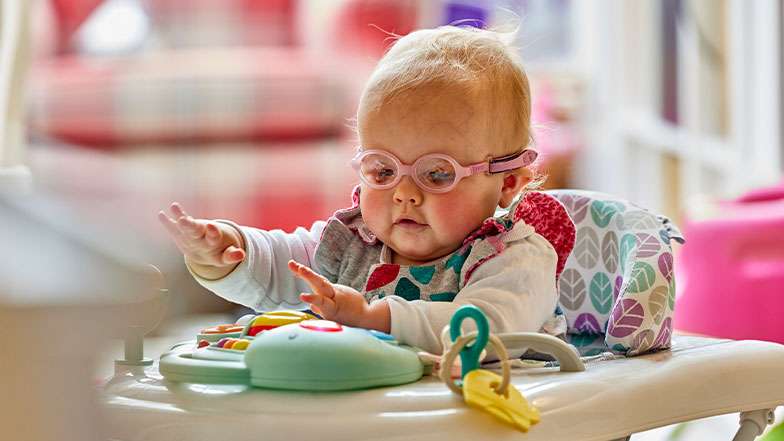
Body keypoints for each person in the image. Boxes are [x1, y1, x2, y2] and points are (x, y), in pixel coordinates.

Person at [158, 25, 575, 357]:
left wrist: (375, 318)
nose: (404, 194)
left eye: (436, 174)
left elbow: (483, 330)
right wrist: (229, 251)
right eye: (383, 170)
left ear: (507, 183)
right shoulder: (354, 243)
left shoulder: (515, 258)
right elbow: (285, 268)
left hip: (483, 417)